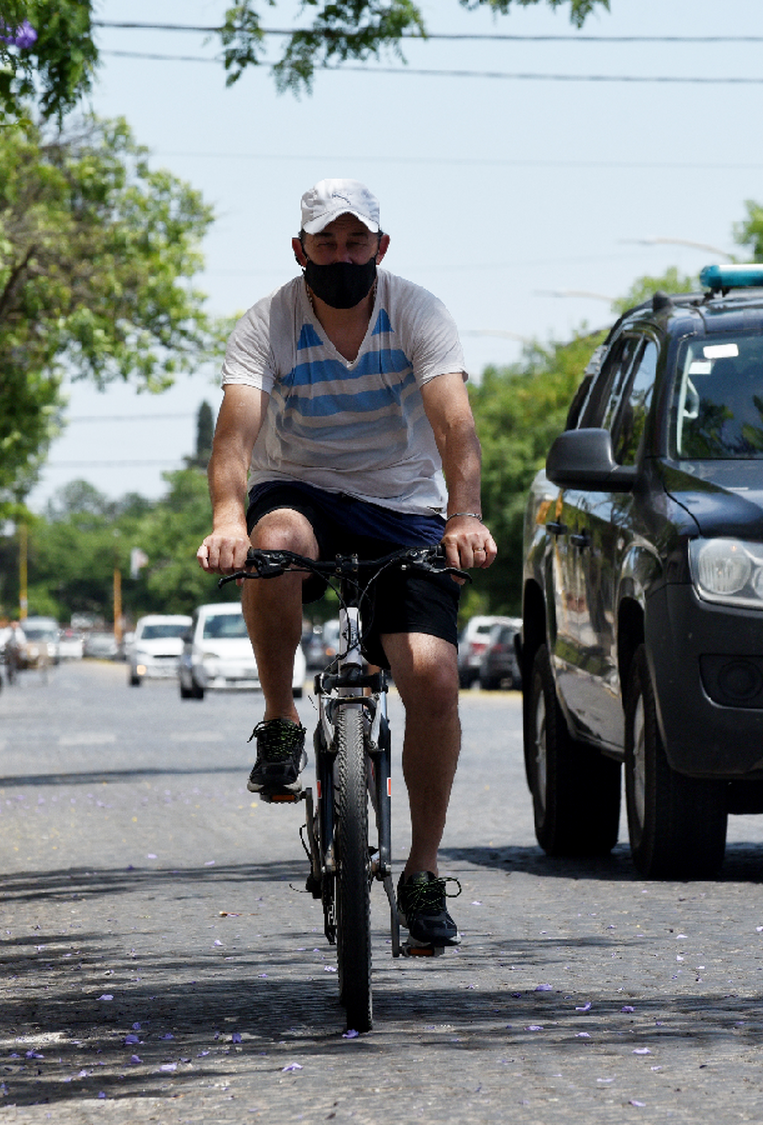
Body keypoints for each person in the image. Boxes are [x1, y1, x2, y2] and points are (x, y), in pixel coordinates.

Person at [196, 178, 497, 948]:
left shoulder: (418, 312)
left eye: (355, 242)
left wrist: (464, 514)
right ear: (300, 250)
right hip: (300, 488)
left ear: (380, 248)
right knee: (278, 545)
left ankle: (423, 872)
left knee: (431, 677)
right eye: (325, 243)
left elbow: (453, 422)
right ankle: (280, 717)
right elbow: (235, 434)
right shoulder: (267, 322)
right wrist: (230, 518)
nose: (341, 256)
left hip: (402, 507)